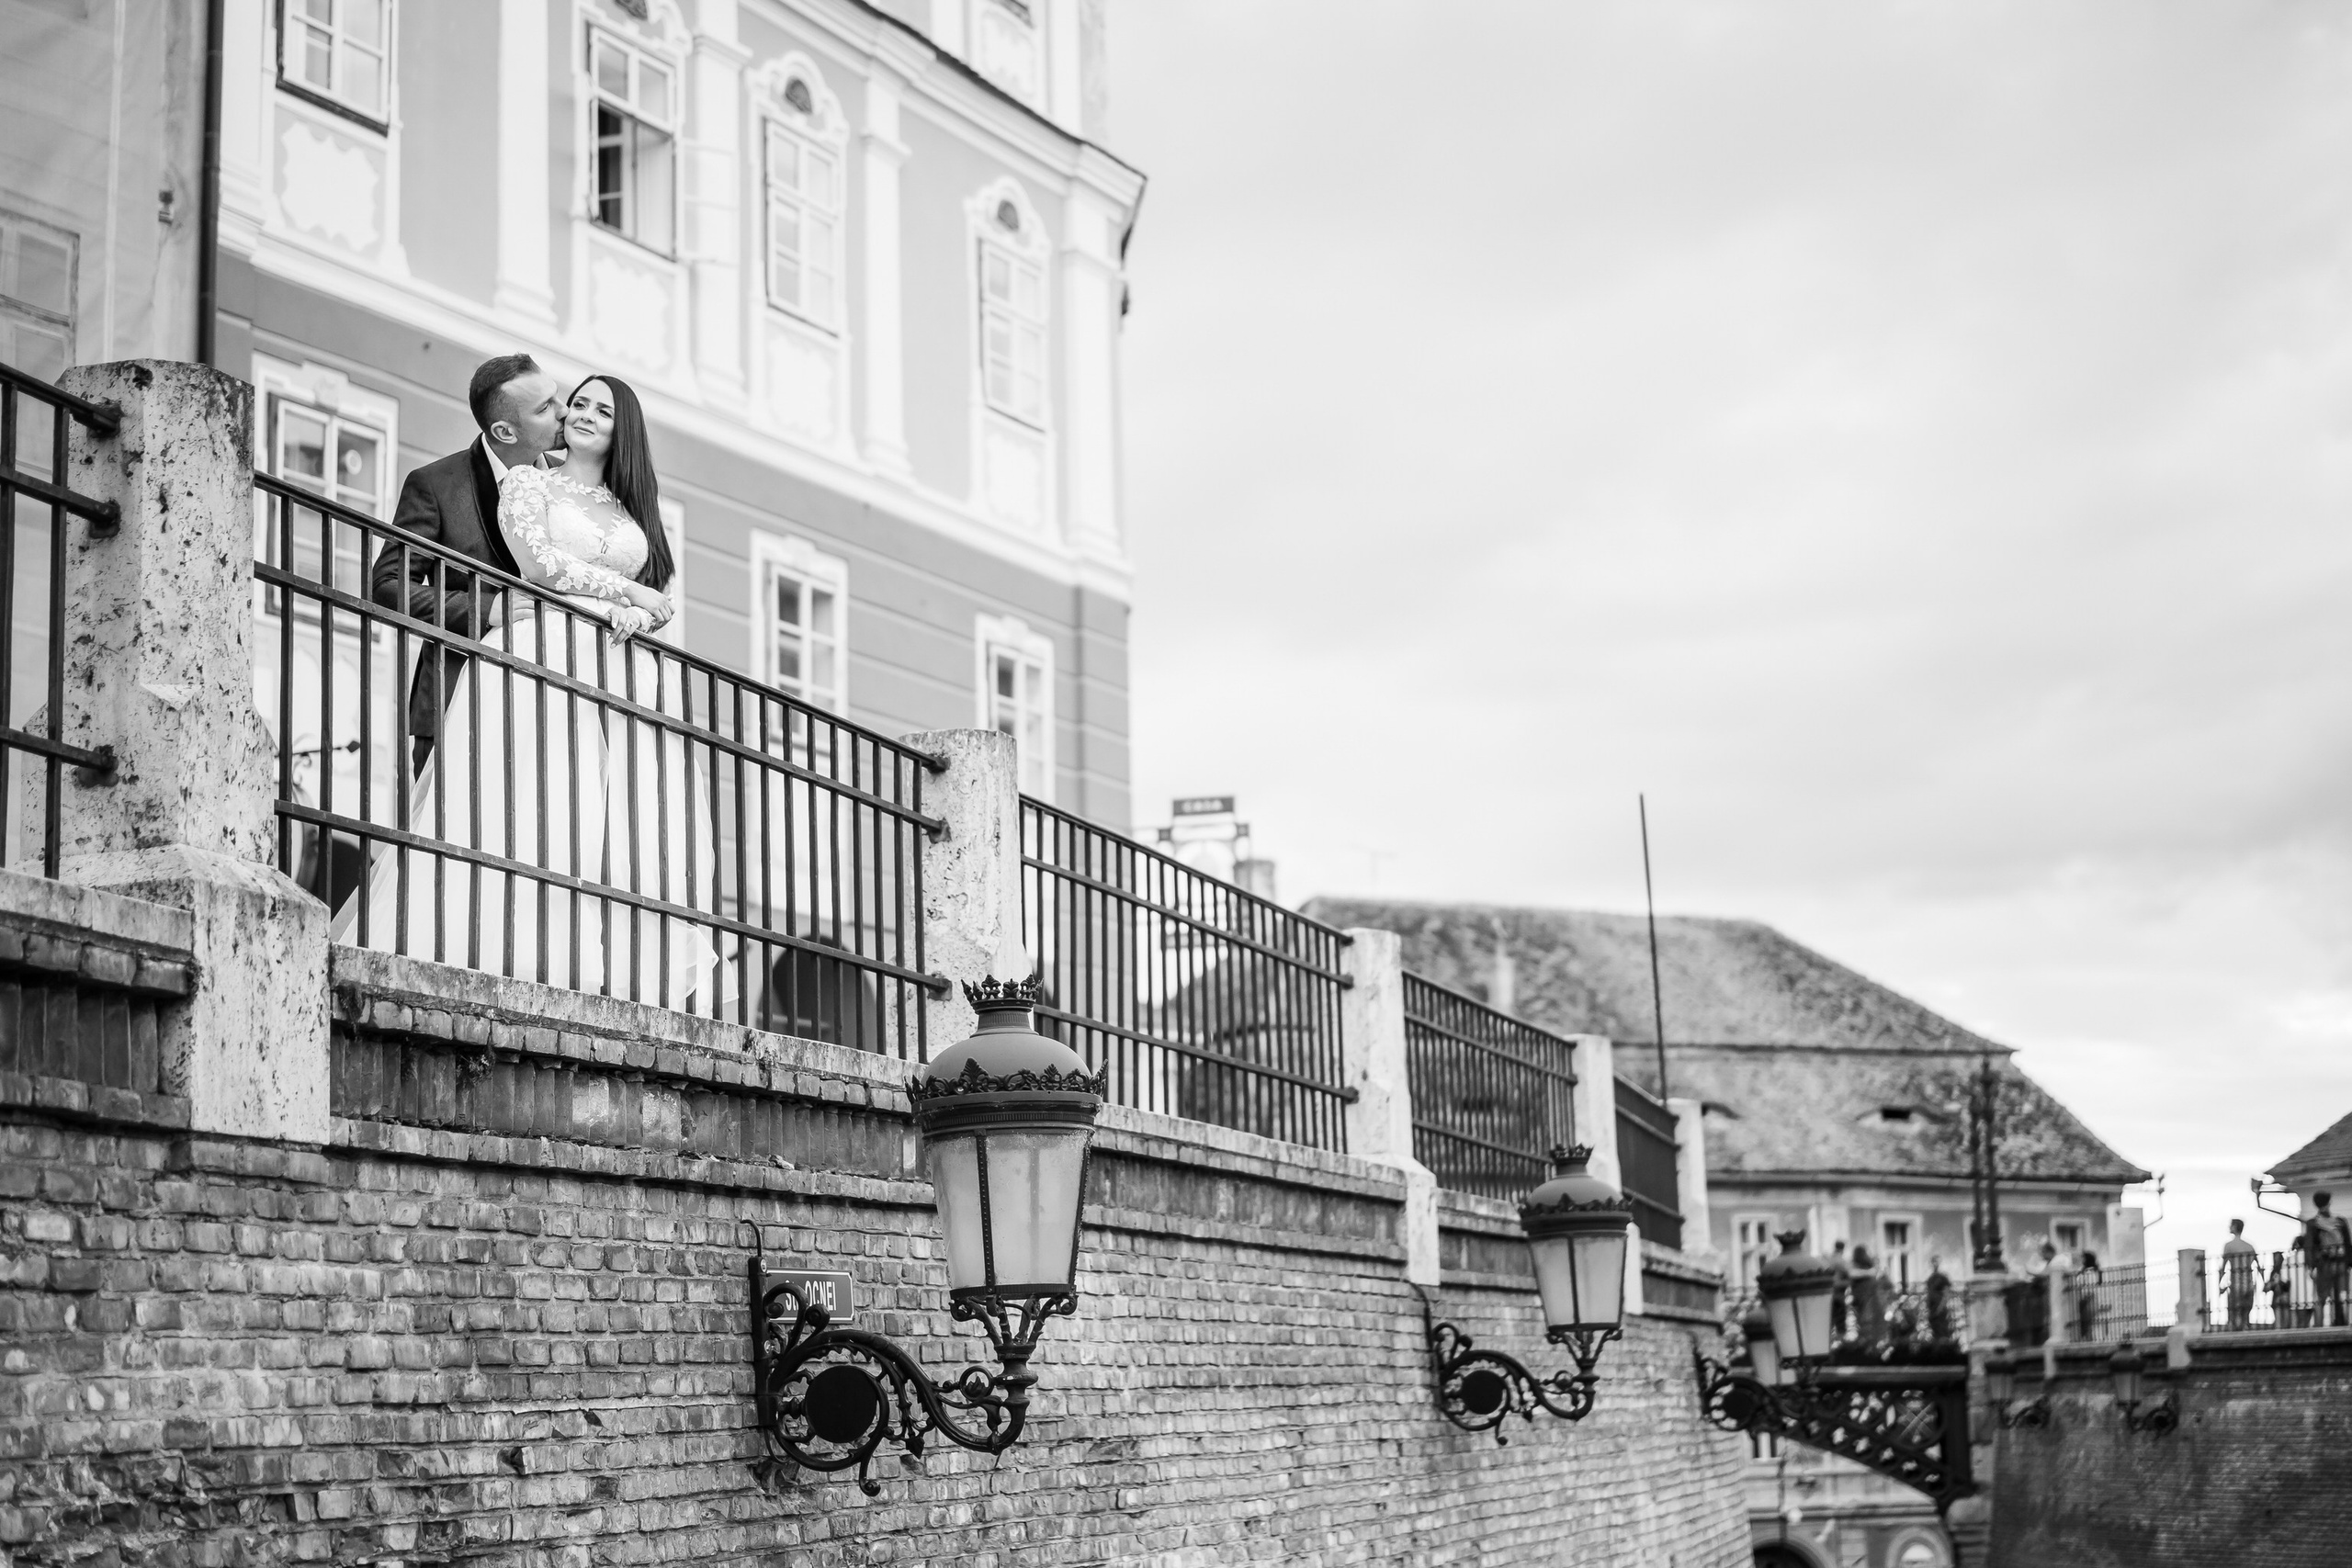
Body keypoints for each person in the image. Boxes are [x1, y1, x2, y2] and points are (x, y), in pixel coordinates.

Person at [347, 373, 721, 1010]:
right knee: (508, 813)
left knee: (605, 822)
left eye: (590, 406)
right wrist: (600, 597)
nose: (571, 413)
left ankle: (594, 966)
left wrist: (641, 611)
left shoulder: (627, 505)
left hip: (614, 671)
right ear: (505, 426)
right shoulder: (470, 484)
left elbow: (660, 588)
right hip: (507, 665)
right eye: (565, 404)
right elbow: (403, 581)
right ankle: (487, 958)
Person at [372, 355, 567, 769]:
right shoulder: (435, 485)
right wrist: (485, 609)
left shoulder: (572, 483)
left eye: (557, 397)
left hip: (554, 706)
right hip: (456, 701)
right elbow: (388, 585)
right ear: (504, 431)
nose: (564, 412)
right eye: (545, 407)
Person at [2305, 1191, 2351, 1328]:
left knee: (2321, 1297)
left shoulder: (2313, 1223)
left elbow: (2309, 1246)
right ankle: (2340, 1322)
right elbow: (2348, 1244)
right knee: (2341, 1296)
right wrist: (2349, 1262)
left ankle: (2318, 1325)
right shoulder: (2340, 1221)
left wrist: (2311, 1266)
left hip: (2324, 1263)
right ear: (2329, 1202)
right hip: (2341, 1262)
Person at [2220, 1219, 2259, 1331]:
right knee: (2246, 1312)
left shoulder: (2229, 1246)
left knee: (2235, 1311)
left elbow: (2223, 1266)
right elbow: (2258, 1266)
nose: (2229, 1227)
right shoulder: (2250, 1246)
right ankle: (2245, 1330)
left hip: (2236, 1283)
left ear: (2235, 1227)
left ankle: (2236, 1332)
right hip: (2249, 1283)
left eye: (2231, 1225)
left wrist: (2220, 1284)